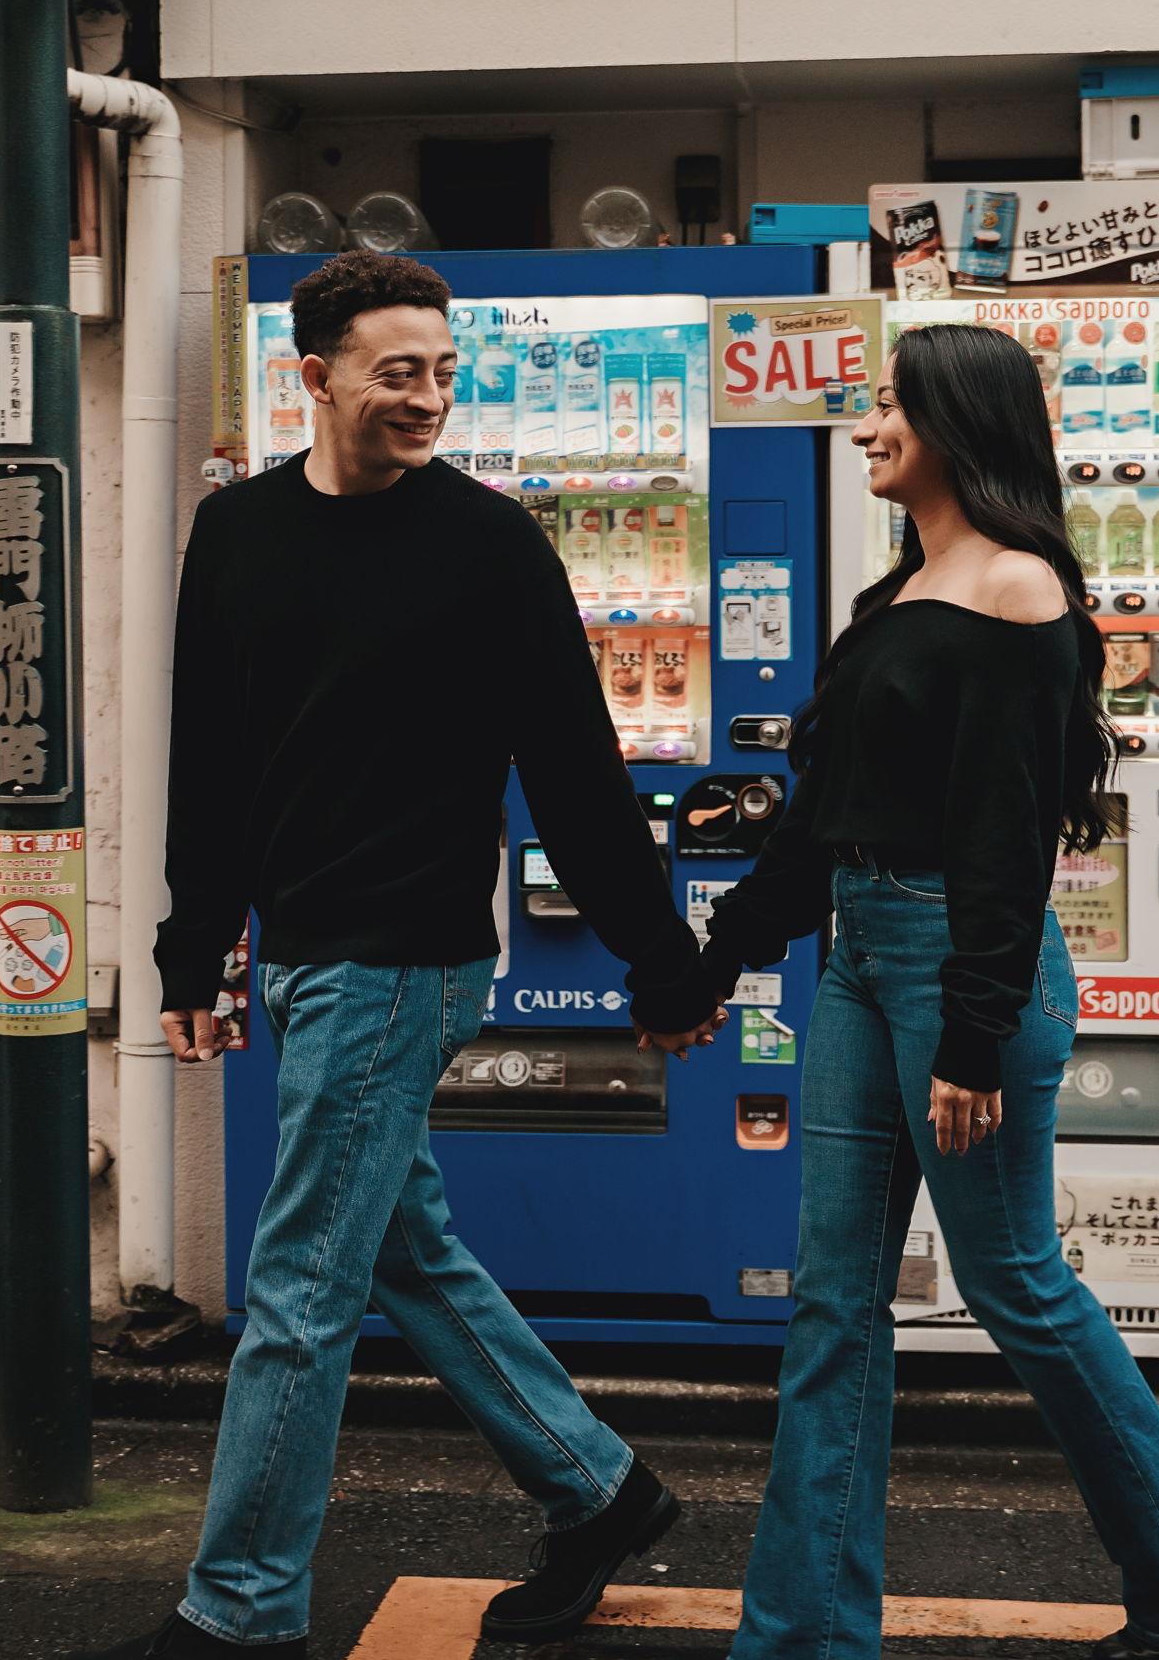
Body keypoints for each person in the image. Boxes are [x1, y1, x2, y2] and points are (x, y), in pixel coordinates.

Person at [74, 253, 724, 1660]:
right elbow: (213, 761)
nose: (429, 396)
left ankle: (243, 1613)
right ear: (315, 377)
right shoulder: (238, 533)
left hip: (406, 956)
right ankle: (600, 1488)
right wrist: (194, 950)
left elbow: (577, 770)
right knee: (400, 1251)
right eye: (397, 372)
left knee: (299, 1289)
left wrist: (659, 958)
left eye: (442, 371)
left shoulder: (491, 545)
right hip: (301, 949)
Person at [701, 323, 1159, 1660]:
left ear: (956, 422)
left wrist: (971, 1033)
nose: (866, 427)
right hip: (860, 959)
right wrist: (716, 958)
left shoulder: (1019, 592)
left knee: (1013, 1280)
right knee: (834, 1300)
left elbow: (1008, 842)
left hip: (963, 967)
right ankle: (802, 1637)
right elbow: (820, 818)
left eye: (889, 405)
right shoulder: (893, 595)